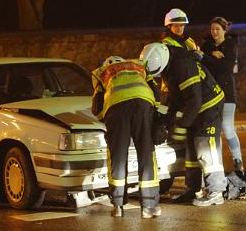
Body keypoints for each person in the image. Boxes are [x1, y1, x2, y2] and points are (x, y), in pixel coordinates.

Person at [139, 42, 228, 207]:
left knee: (205, 146)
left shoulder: (183, 67)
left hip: (209, 106)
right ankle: (193, 189)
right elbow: (175, 96)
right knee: (192, 148)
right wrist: (169, 119)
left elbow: (194, 100)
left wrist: (182, 125)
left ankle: (216, 191)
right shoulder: (170, 66)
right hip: (196, 107)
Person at [91, 56, 162, 218]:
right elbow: (156, 92)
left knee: (118, 157)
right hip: (142, 104)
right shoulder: (138, 65)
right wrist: (152, 111)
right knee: (146, 154)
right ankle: (149, 207)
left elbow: (96, 107)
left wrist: (106, 118)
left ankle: (117, 206)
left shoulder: (101, 72)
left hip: (116, 109)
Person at [200, 17, 246, 178]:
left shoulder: (230, 46)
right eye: (212, 29)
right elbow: (204, 65)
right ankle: (216, 163)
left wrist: (208, 58)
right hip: (210, 95)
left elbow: (225, 68)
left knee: (227, 127)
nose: (214, 32)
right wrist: (212, 55)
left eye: (218, 29)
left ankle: (238, 160)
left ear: (225, 30)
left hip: (227, 95)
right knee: (214, 131)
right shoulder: (206, 47)